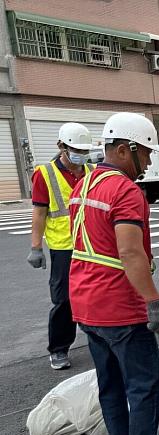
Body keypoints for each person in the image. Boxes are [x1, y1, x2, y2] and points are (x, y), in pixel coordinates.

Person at [68, 112, 159, 435]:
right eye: (145, 155)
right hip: (119, 304)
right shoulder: (125, 191)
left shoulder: (84, 186)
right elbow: (130, 253)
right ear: (123, 149)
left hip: (86, 303)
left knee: (110, 380)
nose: (148, 164)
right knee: (146, 383)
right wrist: (154, 303)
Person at [28, 122, 96, 370]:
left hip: (90, 246)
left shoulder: (91, 170)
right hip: (63, 248)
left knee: (93, 296)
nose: (80, 155)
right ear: (61, 147)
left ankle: (98, 341)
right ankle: (58, 349)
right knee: (63, 300)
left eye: (84, 150)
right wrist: (36, 247)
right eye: (75, 149)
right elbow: (39, 213)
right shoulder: (44, 174)